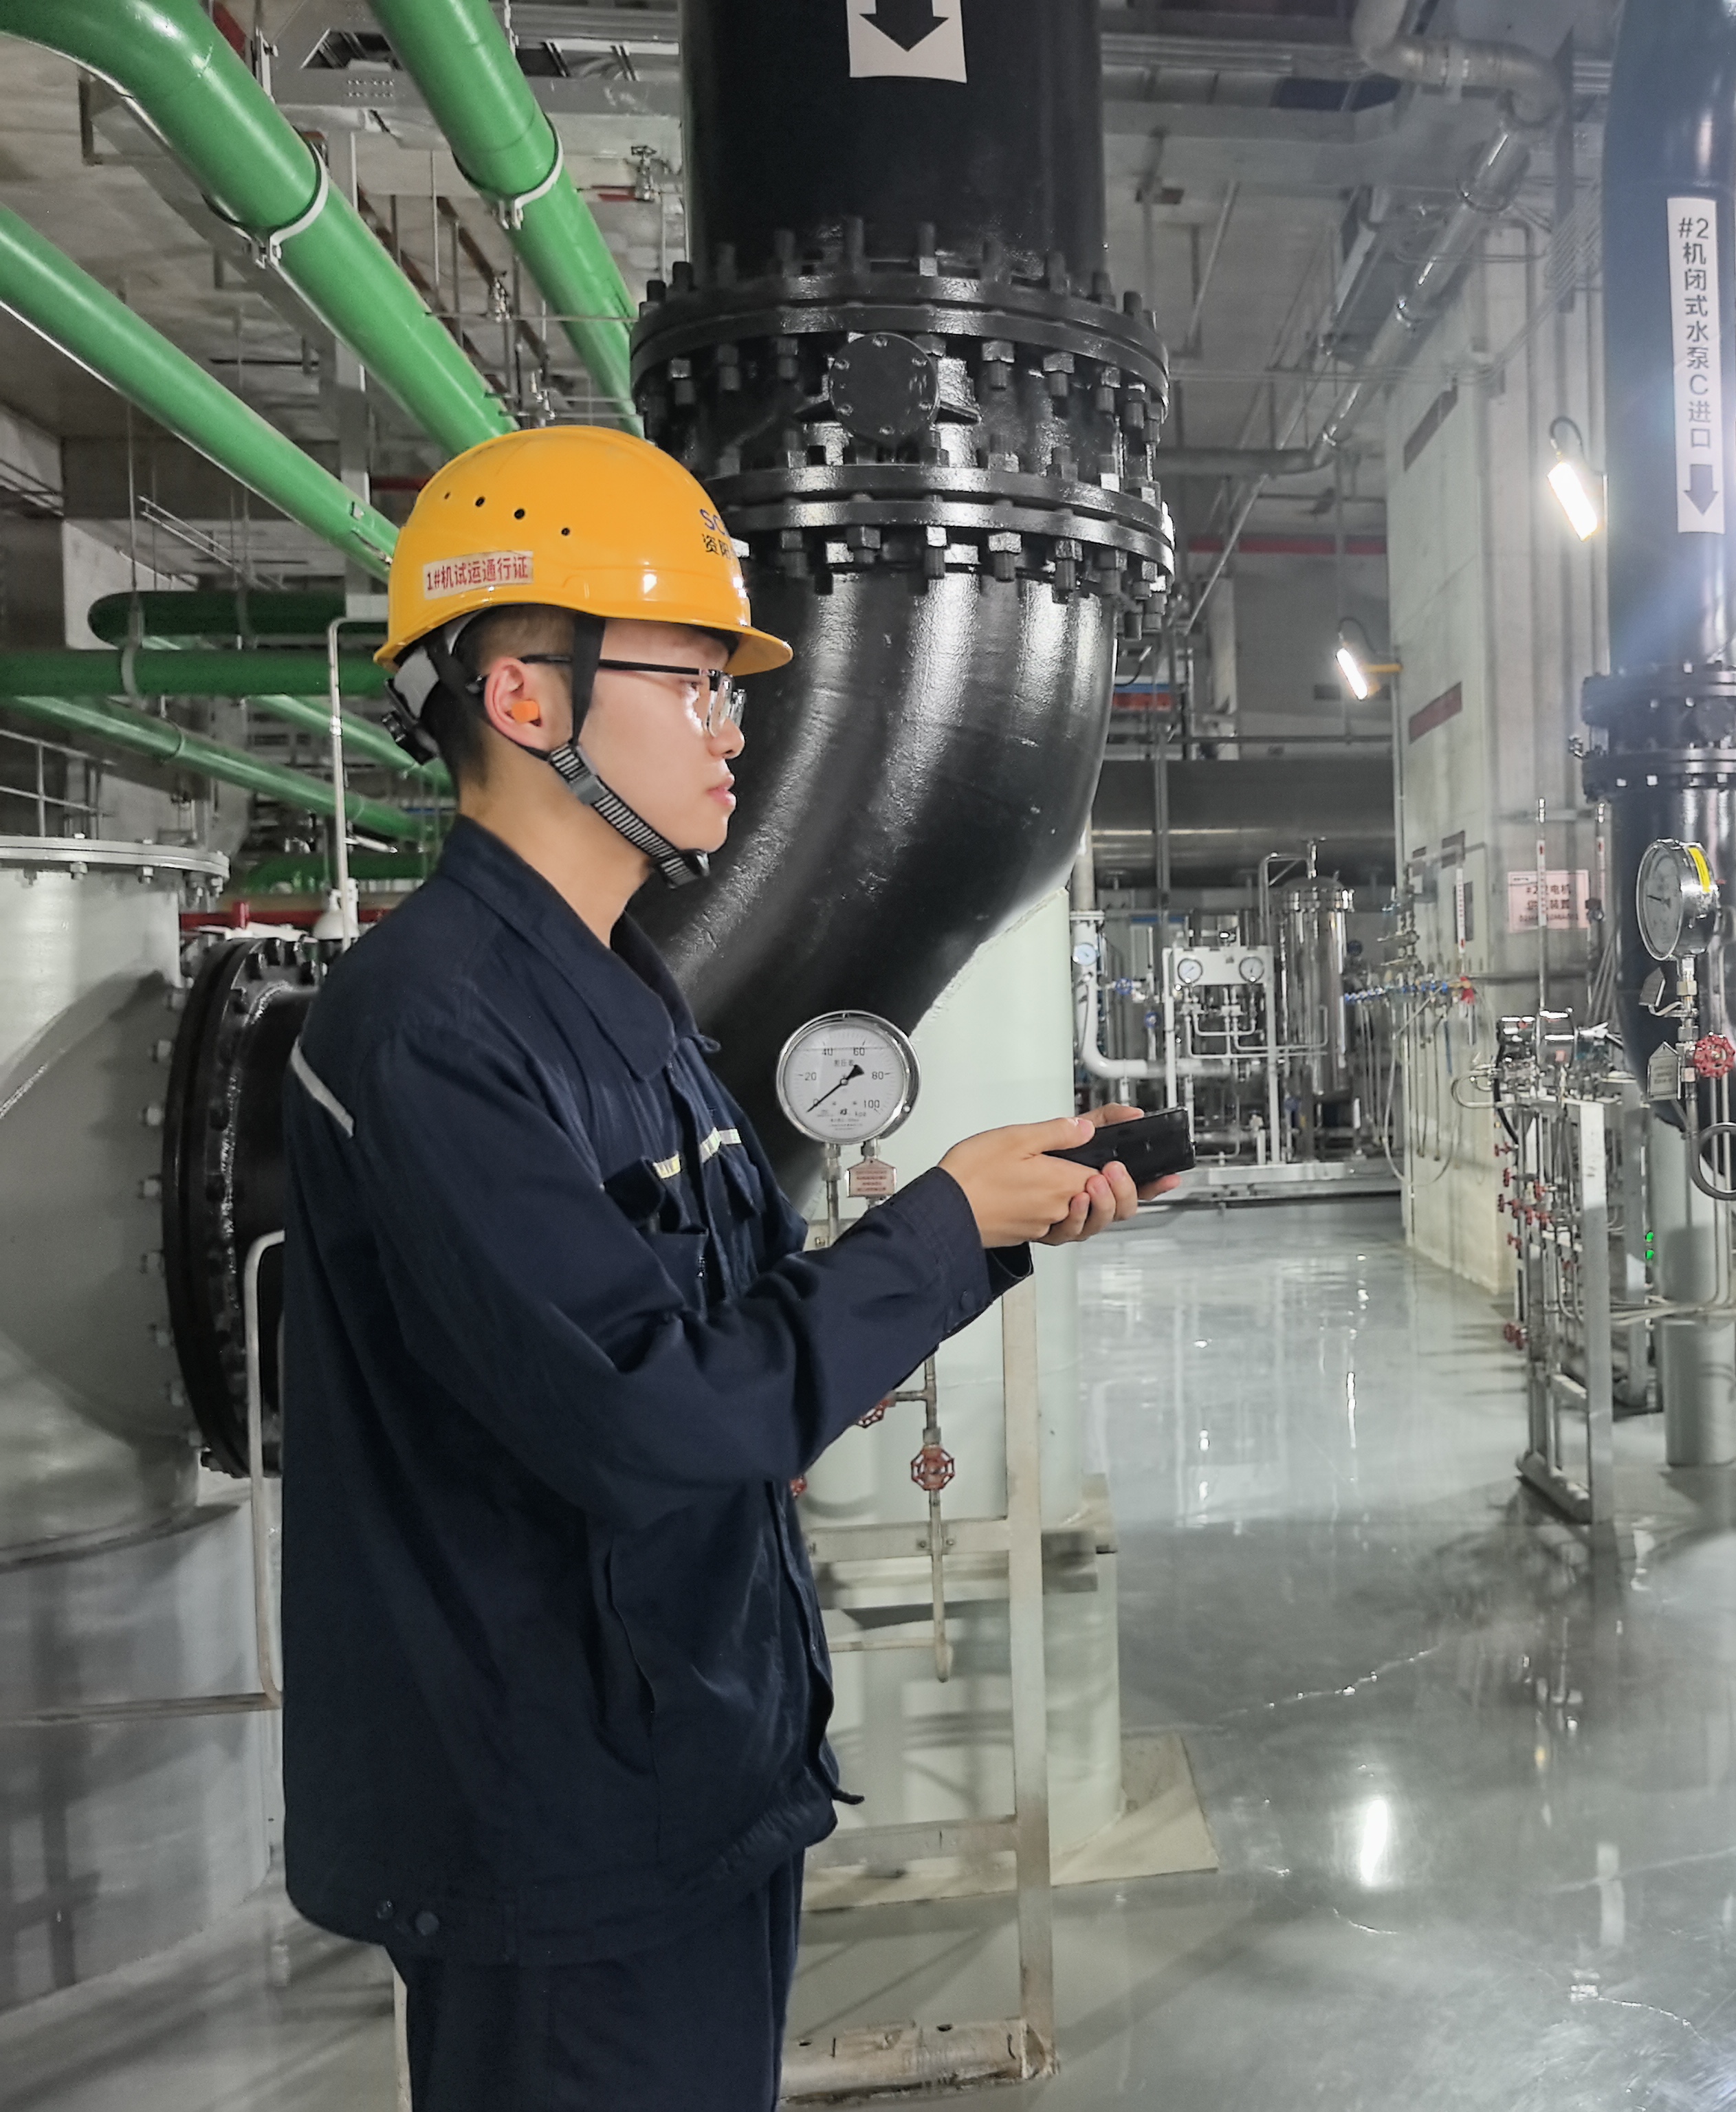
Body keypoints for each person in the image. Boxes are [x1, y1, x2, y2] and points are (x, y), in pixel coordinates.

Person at [278, 424, 1165, 2109]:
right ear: (522, 696)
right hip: (553, 1817)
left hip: (689, 1761)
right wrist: (941, 1223)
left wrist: (990, 1225)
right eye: (691, 681)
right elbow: (648, 1415)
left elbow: (739, 1317)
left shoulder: (624, 993)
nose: (733, 725)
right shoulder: (427, 1031)